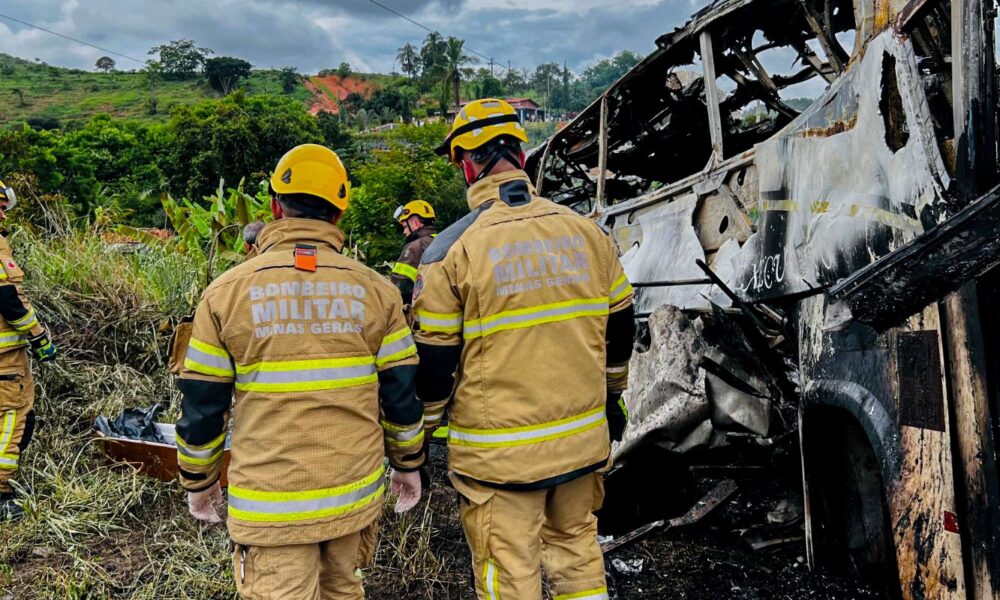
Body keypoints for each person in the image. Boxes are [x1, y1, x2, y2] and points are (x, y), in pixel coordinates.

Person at [175, 145, 424, 599]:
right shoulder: (378, 292)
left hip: (272, 508)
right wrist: (409, 465)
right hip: (354, 498)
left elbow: (202, 403)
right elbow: (402, 394)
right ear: (338, 212)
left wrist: (199, 480)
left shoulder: (225, 294)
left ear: (275, 207)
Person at [413, 99, 635, 600]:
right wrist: (611, 396)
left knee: (508, 571)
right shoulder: (587, 233)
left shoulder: (450, 252)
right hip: (582, 441)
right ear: (523, 157)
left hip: (500, 461)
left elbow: (436, 365)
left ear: (467, 164)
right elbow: (621, 328)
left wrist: (420, 439)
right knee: (578, 553)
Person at [0, 179, 58, 520]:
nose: (4, 214)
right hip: (6, 361)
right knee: (14, 418)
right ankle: (2, 495)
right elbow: (7, 298)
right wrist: (38, 337)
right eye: (2, 207)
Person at [389, 200, 436, 308]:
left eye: (405, 227)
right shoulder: (441, 241)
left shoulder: (414, 247)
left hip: (420, 313)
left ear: (415, 223)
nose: (404, 232)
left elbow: (399, 286)